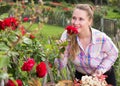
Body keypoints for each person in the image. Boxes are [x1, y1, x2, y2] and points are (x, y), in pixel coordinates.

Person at [54, 4, 119, 86]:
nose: (76, 22)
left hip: (103, 78)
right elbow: (59, 67)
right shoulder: (67, 36)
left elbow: (114, 53)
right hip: (82, 79)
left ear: (89, 21)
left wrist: (100, 70)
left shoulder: (101, 38)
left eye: (81, 19)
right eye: (74, 18)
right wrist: (61, 51)